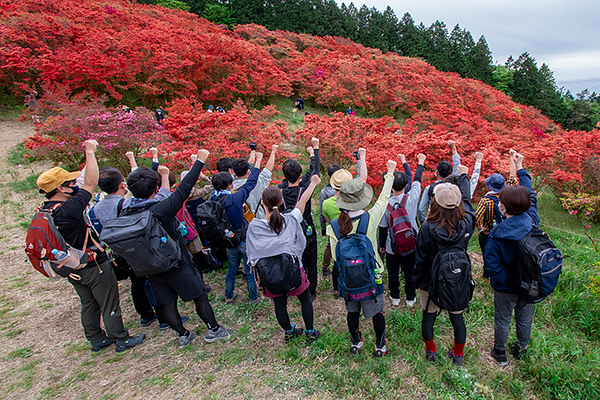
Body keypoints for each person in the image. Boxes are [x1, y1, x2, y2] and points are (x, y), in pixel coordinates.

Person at [35, 140, 146, 353]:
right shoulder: (69, 209)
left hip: (69, 265)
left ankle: (96, 339)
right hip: (92, 263)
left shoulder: (46, 209)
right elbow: (90, 182)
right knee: (109, 301)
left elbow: (82, 180)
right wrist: (90, 151)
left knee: (88, 303)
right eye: (69, 182)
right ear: (60, 188)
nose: (74, 184)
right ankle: (120, 338)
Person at [125, 150, 233, 348]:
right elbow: (184, 187)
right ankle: (214, 329)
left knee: (167, 303)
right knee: (199, 295)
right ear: (156, 188)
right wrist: (199, 160)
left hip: (150, 264)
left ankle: (183, 335)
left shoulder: (126, 208)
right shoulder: (161, 208)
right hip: (175, 260)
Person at [328, 158, 397, 357]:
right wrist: (389, 173)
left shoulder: (333, 226)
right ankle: (379, 346)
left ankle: (356, 343)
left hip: (348, 278)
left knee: (352, 312)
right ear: (362, 199)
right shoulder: (371, 216)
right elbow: (384, 198)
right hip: (372, 276)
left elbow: (335, 257)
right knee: (376, 312)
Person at [246, 176, 322, 342]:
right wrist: (313, 183)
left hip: (270, 274)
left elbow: (252, 254)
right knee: (305, 299)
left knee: (279, 305)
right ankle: (310, 331)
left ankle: (289, 331)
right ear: (281, 202)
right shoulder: (290, 219)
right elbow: (302, 200)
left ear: (263, 203)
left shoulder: (254, 226)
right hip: (293, 270)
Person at [413, 164, 475, 366]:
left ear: (435, 202)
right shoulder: (466, 225)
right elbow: (469, 205)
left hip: (431, 280)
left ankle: (431, 351)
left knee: (429, 317)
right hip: (456, 279)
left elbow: (420, 259)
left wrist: (418, 282)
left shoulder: (427, 228)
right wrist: (464, 178)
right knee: (457, 318)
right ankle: (458, 355)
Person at [484, 152, 539, 366]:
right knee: (525, 318)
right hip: (531, 282)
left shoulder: (498, 234)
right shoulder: (532, 219)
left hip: (507, 287)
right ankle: (521, 349)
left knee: (503, 318)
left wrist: (504, 283)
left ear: (503, 207)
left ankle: (500, 352)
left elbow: (492, 265)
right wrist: (520, 166)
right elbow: (530, 193)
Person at [211, 155, 261, 304]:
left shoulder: (213, 199)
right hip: (242, 238)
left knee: (231, 270)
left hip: (228, 239)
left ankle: (229, 296)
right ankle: (253, 297)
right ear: (229, 185)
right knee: (250, 270)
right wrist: (257, 164)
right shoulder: (235, 198)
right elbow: (251, 183)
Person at [378, 153, 425, 307]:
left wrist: (382, 245)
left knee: (393, 272)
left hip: (392, 247)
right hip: (411, 244)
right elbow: (417, 178)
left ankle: (395, 297)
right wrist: (420, 162)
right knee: (410, 271)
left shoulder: (385, 203)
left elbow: (383, 227)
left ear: (390, 186)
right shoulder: (412, 197)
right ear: (406, 185)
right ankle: (410, 298)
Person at [278, 138, 320, 300]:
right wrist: (314, 150)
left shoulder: (279, 190)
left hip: (288, 232)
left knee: (294, 259)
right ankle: (312, 291)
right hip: (306, 228)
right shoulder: (305, 187)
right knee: (311, 260)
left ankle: (296, 285)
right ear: (300, 175)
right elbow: (315, 169)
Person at [476, 149, 518, 253]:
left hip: (489, 234)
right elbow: (512, 176)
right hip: (507, 232)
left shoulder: (486, 201)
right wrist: (512, 157)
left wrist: (480, 228)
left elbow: (477, 217)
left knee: (489, 257)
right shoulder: (509, 193)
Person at [319, 164, 341, 278]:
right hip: (348, 224)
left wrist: (323, 228)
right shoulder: (345, 189)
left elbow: (322, 212)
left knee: (330, 245)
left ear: (328, 176)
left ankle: (325, 267)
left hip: (332, 224)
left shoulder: (325, 191)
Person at [418, 160, 453, 225]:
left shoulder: (429, 188)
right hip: (449, 222)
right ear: (450, 174)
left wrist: (424, 222)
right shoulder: (453, 188)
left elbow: (421, 209)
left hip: (432, 221)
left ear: (436, 172)